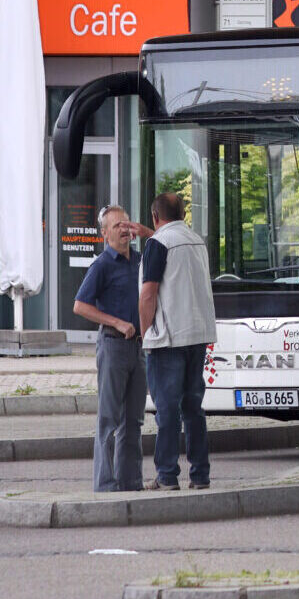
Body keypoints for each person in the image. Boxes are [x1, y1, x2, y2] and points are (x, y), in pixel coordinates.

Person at [129, 193, 215, 491]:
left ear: (155, 216)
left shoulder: (157, 245)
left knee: (167, 409)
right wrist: (149, 234)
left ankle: (166, 475)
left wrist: (144, 332)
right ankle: (200, 475)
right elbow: (173, 252)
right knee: (194, 407)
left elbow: (148, 293)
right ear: (182, 213)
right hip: (197, 336)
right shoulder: (196, 241)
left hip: (167, 339)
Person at [72, 205, 145, 492]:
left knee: (134, 420)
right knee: (109, 419)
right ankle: (105, 484)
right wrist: (117, 321)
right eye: (117, 226)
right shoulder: (102, 265)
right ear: (105, 234)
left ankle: (131, 482)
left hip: (138, 348)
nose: (124, 230)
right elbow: (80, 306)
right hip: (113, 345)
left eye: (126, 224)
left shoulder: (140, 261)